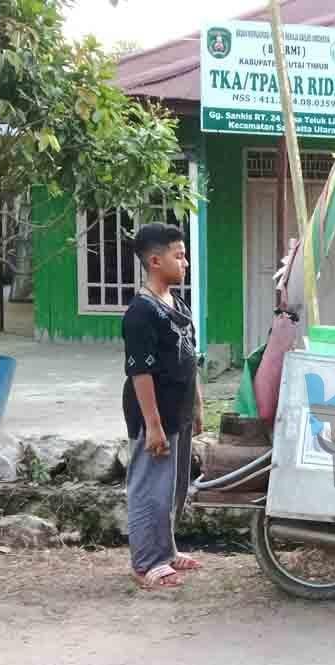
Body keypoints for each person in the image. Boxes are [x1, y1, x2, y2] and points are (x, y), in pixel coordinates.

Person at [122, 223, 204, 590]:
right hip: (153, 412)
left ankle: (166, 550)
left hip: (180, 409)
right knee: (149, 487)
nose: (184, 262)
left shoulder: (177, 304)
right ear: (155, 261)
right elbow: (140, 372)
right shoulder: (141, 312)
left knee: (174, 487)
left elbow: (191, 359)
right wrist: (152, 425)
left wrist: (198, 404)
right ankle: (145, 563)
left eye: (184, 255)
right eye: (179, 255)